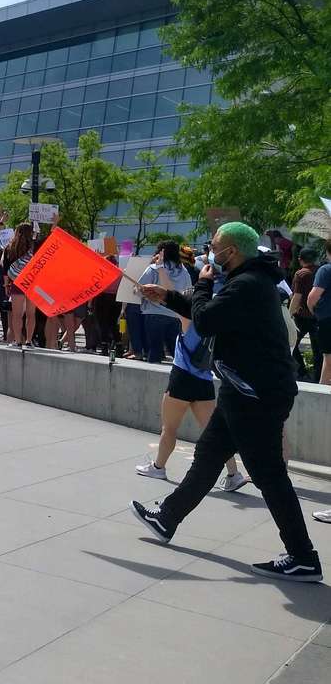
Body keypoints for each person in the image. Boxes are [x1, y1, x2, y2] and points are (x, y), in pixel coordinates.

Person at [132, 222, 320, 583]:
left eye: (214, 246)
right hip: (243, 389)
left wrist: (201, 283)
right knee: (208, 457)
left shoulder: (247, 284)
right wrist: (168, 297)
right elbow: (216, 314)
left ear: (230, 251)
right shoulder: (251, 281)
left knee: (269, 475)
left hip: (256, 394)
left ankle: (302, 556)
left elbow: (205, 319)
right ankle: (167, 516)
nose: (210, 252)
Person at [135, 317, 246, 492]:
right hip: (205, 381)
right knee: (215, 433)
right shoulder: (215, 324)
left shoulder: (189, 323)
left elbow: (171, 298)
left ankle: (158, 468)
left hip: (182, 378)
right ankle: (234, 474)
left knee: (169, 428)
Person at [138, 241, 191, 363]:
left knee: (154, 348)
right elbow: (188, 292)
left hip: (154, 312)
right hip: (176, 314)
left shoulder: (153, 269)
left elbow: (140, 289)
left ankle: (151, 377)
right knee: (176, 350)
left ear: (161, 252)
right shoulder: (184, 272)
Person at [289, 248, 322, 381]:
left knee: (291, 344)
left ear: (300, 260)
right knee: (318, 350)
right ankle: (318, 377)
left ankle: (301, 370)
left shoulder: (301, 274)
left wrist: (289, 315)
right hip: (318, 316)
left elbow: (296, 297)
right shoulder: (321, 271)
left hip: (301, 316)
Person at [307, 251, 331, 386]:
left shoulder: (326, 270)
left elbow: (313, 297)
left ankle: (323, 392)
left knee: (328, 358)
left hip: (328, 318)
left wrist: (314, 311)